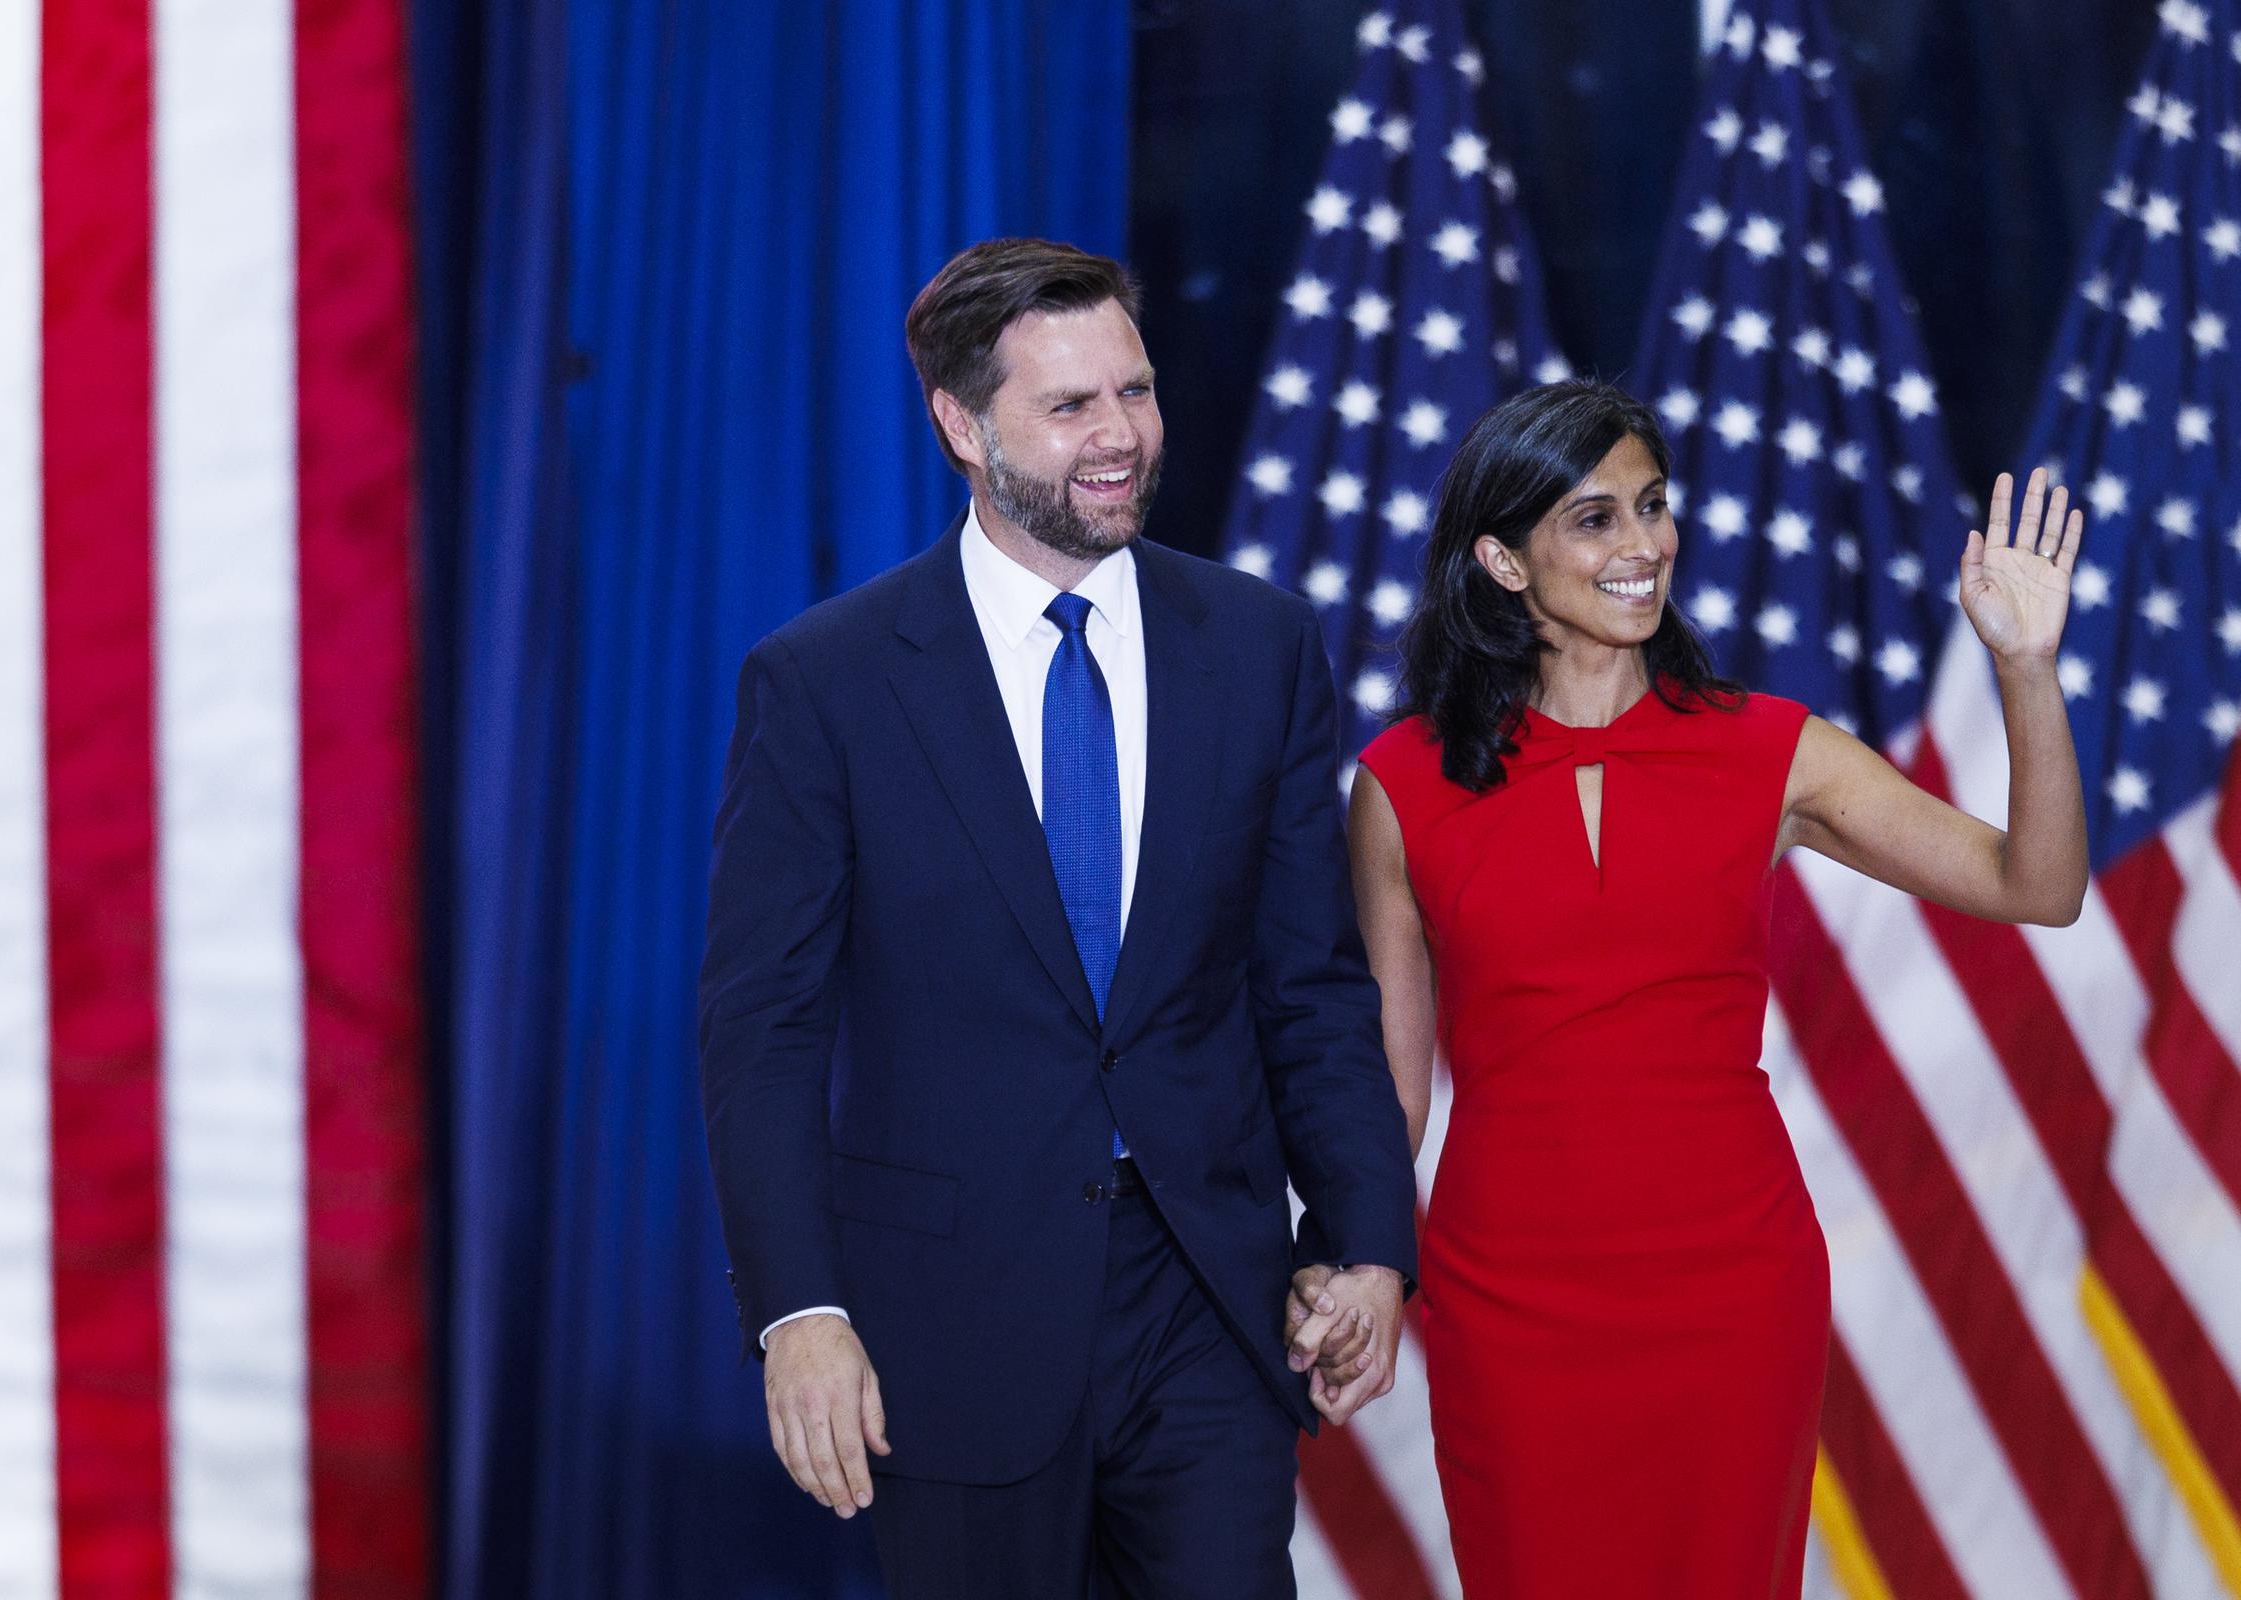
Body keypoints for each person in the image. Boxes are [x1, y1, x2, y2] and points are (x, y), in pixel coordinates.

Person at [697, 237, 1419, 1600]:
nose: (1122, 438)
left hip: (1208, 1301)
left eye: (1135, 393)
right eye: (1072, 407)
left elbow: (1308, 983)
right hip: (952, 1324)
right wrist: (799, 1310)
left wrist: (1368, 1236)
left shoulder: (1259, 644)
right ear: (963, 426)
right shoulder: (827, 684)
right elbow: (763, 1030)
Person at [1349, 380, 2088, 1599]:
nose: (1643, 546)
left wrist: (2028, 671)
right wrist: (1351, 1255)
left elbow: (2037, 884)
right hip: (1511, 1302)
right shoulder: (1401, 782)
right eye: (1594, 519)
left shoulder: (1771, 747)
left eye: (1652, 507)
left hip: (1730, 1292)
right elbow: (1390, 1092)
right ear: (1504, 560)